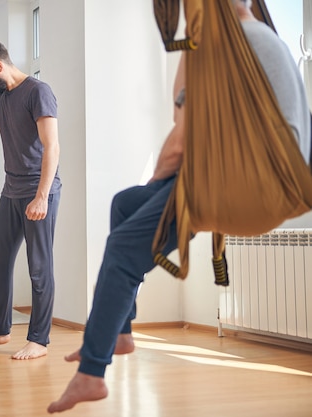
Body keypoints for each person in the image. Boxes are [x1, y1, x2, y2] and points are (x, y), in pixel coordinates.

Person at [48, 0, 311, 412]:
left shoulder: (226, 46)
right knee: (124, 204)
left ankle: (91, 373)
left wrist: (160, 185)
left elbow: (180, 142)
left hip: (243, 185)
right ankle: (121, 333)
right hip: (266, 181)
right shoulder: (262, 38)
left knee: (122, 249)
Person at [0, 37, 62, 360]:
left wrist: (42, 197)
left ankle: (39, 340)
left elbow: (52, 146)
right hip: (11, 190)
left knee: (38, 265)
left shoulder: (38, 92)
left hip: (38, 190)